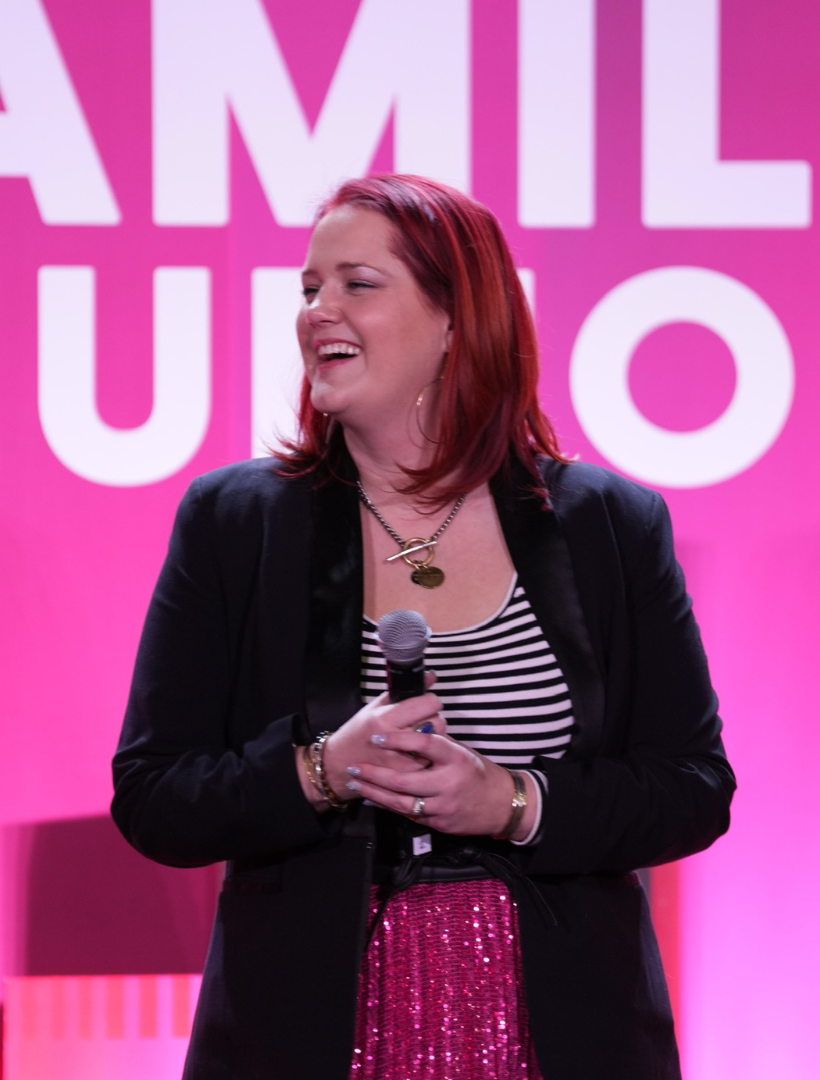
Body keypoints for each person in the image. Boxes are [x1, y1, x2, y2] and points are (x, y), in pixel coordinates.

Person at [111, 174, 735, 1080]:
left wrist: (513, 804)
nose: (318, 309)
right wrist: (323, 770)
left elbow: (692, 784)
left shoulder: (610, 523)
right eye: (309, 288)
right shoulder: (236, 521)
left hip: (564, 1033)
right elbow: (155, 795)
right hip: (304, 1034)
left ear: (457, 318)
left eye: (357, 284)